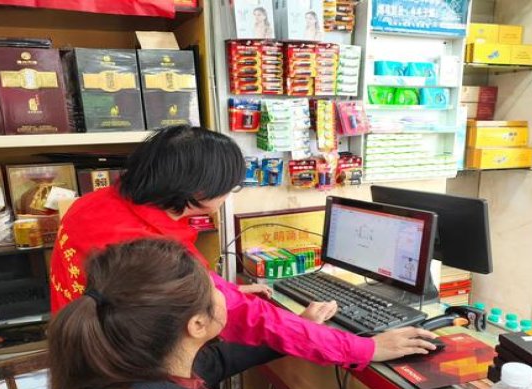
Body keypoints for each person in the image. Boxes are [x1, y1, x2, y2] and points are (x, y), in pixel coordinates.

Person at [49, 125, 437, 373]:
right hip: (134, 374)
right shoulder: (149, 249)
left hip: (89, 360)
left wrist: (223, 289)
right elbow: (252, 318)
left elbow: (163, 284)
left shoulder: (96, 203)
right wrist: (364, 348)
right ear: (199, 192)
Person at [39, 239, 283, 389]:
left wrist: (292, 332)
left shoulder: (125, 368)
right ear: (197, 324)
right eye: (216, 288)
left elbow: (214, 361)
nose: (226, 293)